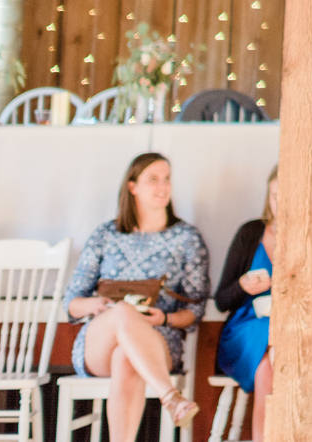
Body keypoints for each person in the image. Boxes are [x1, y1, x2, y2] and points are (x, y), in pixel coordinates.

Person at [64, 153, 209, 436]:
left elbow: (196, 309)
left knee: (125, 356)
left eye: (167, 179)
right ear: (132, 187)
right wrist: (97, 304)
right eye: (153, 180)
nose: (162, 187)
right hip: (99, 342)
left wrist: (164, 318)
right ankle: (171, 397)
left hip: (158, 340)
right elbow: (71, 304)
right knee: (122, 314)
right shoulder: (106, 234)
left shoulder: (187, 238)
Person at [212, 167, 279, 438]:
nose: (281, 203)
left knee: (278, 351)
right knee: (269, 364)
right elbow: (221, 301)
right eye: (276, 195)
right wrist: (243, 285)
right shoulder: (251, 233)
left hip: (291, 329)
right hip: (247, 326)